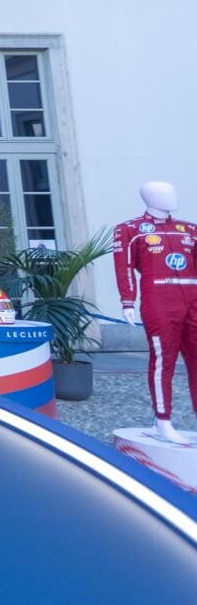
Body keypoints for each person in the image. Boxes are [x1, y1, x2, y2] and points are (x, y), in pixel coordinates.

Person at [113, 180, 197, 445]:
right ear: (147, 198)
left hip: (193, 298)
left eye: (172, 192)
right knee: (163, 360)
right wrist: (128, 301)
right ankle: (163, 421)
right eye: (163, 193)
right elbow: (124, 267)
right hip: (159, 301)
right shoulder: (130, 230)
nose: (171, 197)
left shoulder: (190, 229)